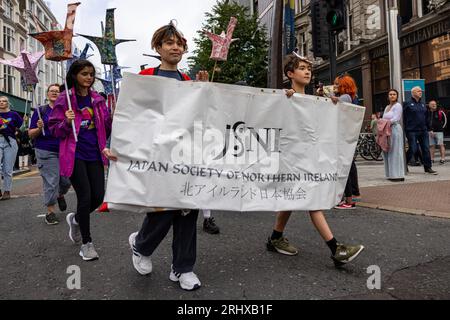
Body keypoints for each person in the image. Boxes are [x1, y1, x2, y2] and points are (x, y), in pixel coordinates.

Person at [127, 22, 208, 291]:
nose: (175, 47)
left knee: (188, 210)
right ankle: (141, 245)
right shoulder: (145, 77)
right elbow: (130, 115)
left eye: (179, 43)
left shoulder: (189, 81)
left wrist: (204, 92)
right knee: (162, 211)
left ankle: (183, 268)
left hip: (186, 156)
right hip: (156, 157)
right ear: (158, 47)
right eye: (169, 43)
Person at [266, 53, 364, 267]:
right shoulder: (285, 97)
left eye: (308, 68)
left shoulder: (316, 102)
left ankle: (275, 237)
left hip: (308, 160)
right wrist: (285, 98)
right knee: (312, 201)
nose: (307, 71)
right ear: (290, 74)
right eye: (301, 68)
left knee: (292, 199)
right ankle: (336, 248)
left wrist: (333, 106)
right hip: (291, 160)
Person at [49, 60, 113, 261]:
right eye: (84, 73)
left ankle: (75, 219)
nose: (89, 77)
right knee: (85, 197)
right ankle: (87, 243)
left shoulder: (97, 99)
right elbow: (54, 130)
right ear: (74, 75)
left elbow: (106, 128)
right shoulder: (64, 99)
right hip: (74, 154)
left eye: (91, 74)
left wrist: (113, 116)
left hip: (95, 153)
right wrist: (66, 122)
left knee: (98, 197)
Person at [29, 84, 72, 225]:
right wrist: (39, 128)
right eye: (51, 91)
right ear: (47, 94)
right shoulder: (40, 111)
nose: (54, 93)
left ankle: (60, 194)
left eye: (57, 91)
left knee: (66, 182)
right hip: (45, 150)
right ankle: (50, 212)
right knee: (51, 181)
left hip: (64, 149)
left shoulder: (66, 110)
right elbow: (31, 134)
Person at [332, 75, 361, 209]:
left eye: (337, 84)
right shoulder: (353, 97)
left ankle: (347, 200)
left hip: (342, 135)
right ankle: (353, 195)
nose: (335, 86)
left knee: (344, 167)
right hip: (350, 134)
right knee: (350, 165)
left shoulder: (344, 97)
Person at [403, 87, 437, 175]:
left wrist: (430, 129)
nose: (420, 92)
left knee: (426, 148)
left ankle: (428, 167)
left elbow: (426, 118)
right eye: (418, 91)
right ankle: (403, 165)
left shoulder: (423, 104)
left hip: (423, 130)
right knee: (413, 148)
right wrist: (405, 128)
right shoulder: (407, 103)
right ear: (413, 93)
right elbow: (402, 117)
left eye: (420, 91)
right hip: (411, 130)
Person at [0, 96, 23, 201]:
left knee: (7, 169)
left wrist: (18, 131)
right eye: (0, 101)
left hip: (10, 141)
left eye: (4, 101)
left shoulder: (14, 114)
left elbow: (21, 126)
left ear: (8, 103)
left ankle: (7, 191)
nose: (1, 103)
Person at [382, 89, 405, 181]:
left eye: (394, 94)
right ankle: (391, 174)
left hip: (395, 129)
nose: (392, 96)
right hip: (386, 130)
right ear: (388, 96)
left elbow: (396, 118)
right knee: (388, 151)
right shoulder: (387, 107)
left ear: (397, 96)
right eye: (390, 94)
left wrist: (385, 122)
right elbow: (384, 118)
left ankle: (398, 175)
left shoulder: (398, 105)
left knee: (396, 151)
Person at [428, 100, 446, 164]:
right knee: (431, 145)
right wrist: (429, 130)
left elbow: (445, 121)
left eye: (434, 104)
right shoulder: (427, 112)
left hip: (439, 131)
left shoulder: (440, 112)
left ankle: (442, 159)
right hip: (430, 132)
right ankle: (431, 159)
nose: (433, 105)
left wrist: (441, 128)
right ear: (429, 105)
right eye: (432, 104)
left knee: (441, 145)